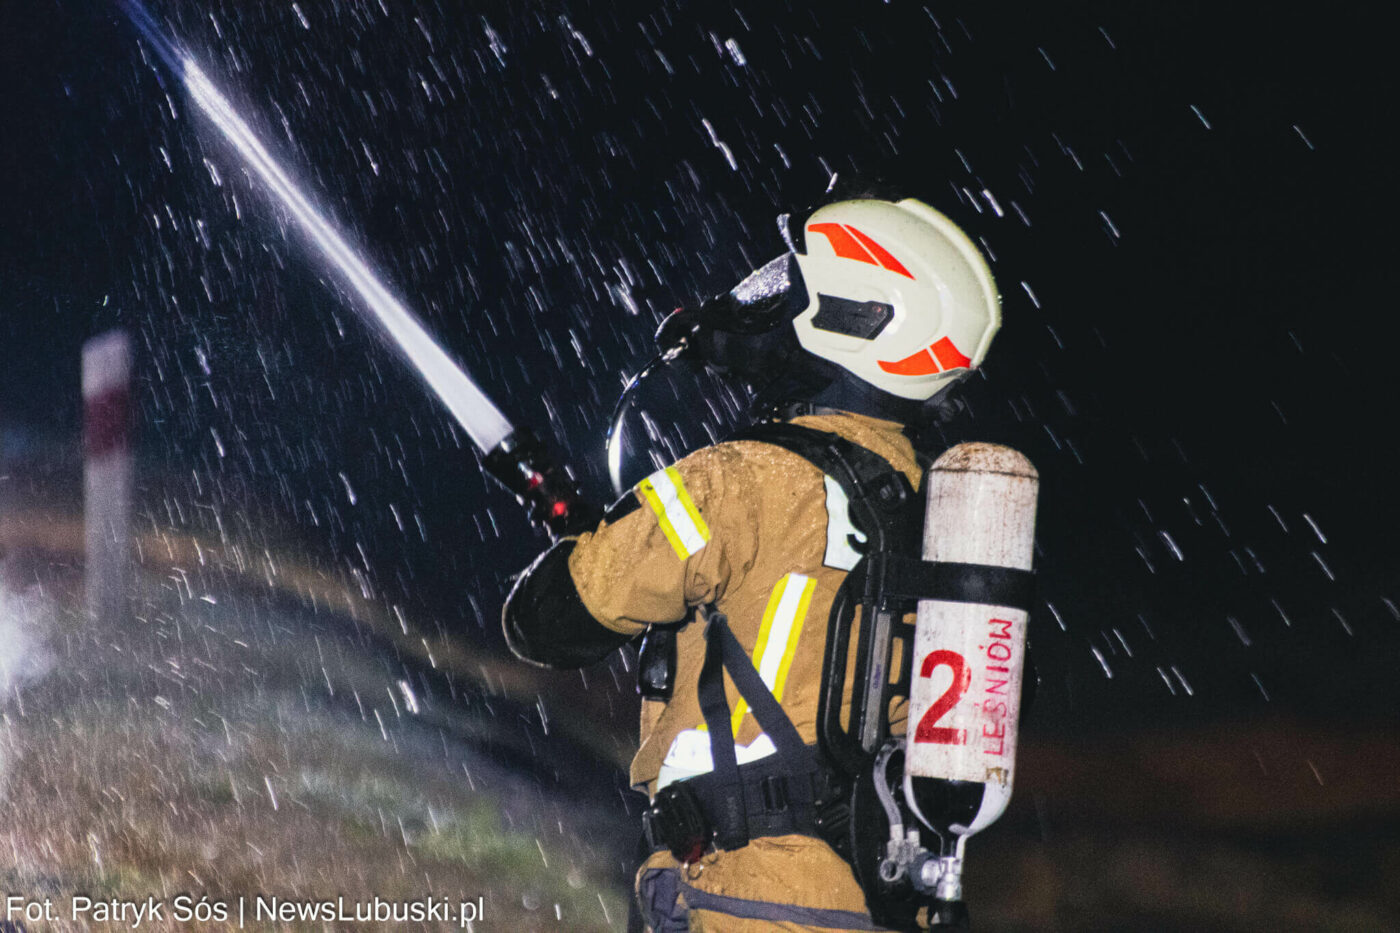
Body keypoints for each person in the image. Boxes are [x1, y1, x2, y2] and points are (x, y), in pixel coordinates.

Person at [502, 181, 1002, 932]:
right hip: (873, 898)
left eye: (789, 281)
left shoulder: (740, 479)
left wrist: (593, 539)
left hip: (736, 892)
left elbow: (547, 621)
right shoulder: (933, 506)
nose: (763, 296)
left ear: (855, 313)